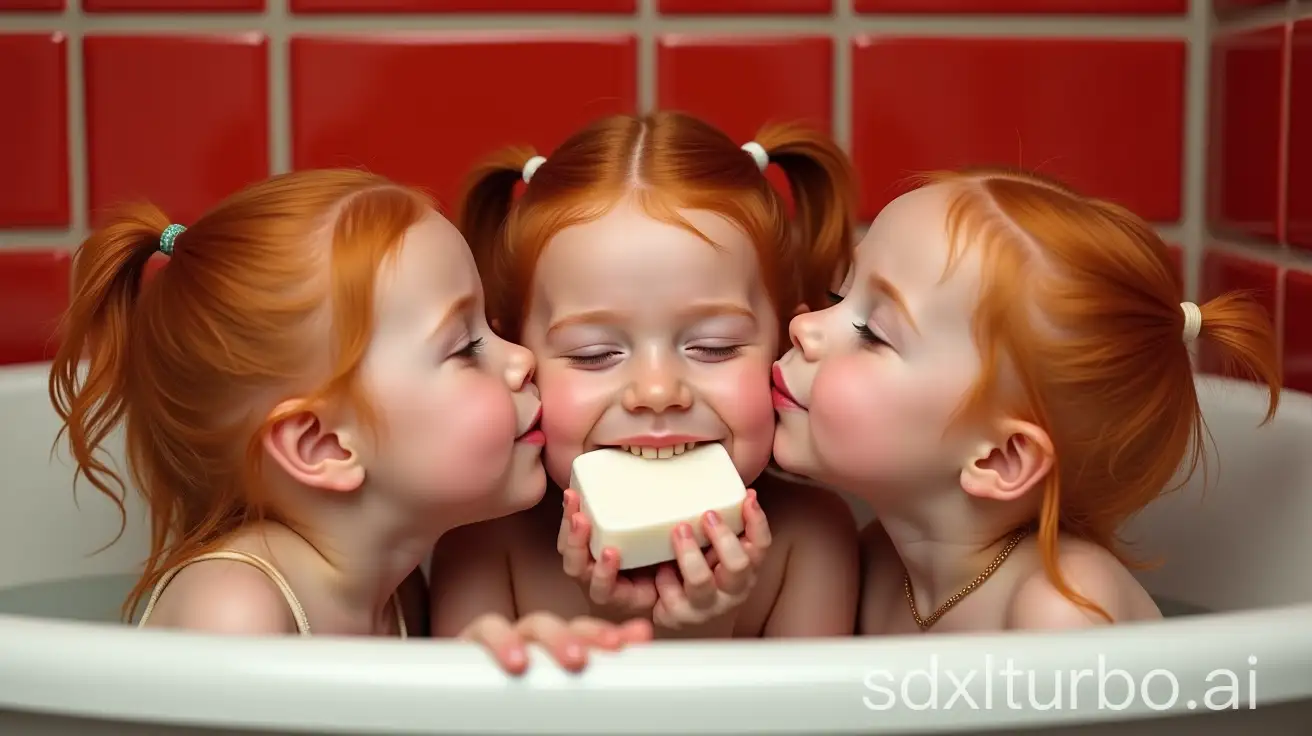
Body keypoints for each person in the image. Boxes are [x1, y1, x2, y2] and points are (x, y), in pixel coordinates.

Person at [49, 169, 651, 672]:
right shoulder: (236, 612)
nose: (522, 359)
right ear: (323, 446)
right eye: (466, 346)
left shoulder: (399, 595)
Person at [770, 167, 1282, 633]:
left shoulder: (1060, 610)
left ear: (1001, 457)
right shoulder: (875, 566)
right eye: (840, 294)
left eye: (872, 332)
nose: (802, 325)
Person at [430, 111, 862, 638]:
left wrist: (703, 625)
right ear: (518, 361)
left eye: (713, 347)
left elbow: (811, 721)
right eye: (593, 354)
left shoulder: (811, 540)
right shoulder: (479, 545)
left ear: (783, 348)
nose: (657, 392)